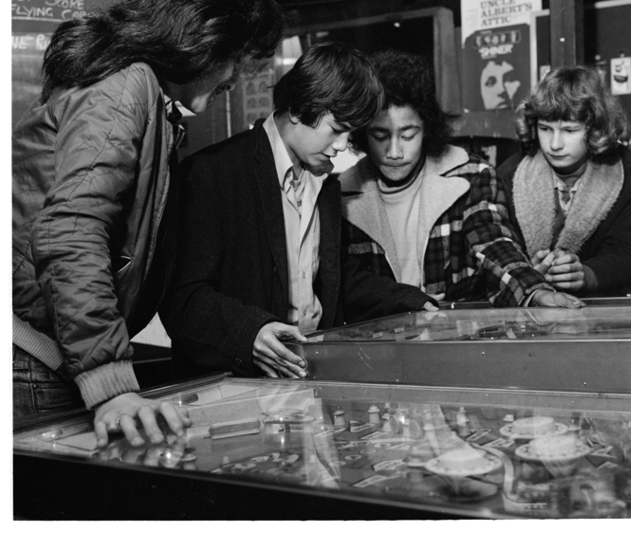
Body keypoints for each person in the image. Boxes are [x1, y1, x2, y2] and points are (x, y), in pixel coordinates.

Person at [12, 0, 284, 447]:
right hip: (37, 357)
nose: (237, 77)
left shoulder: (139, 90)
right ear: (208, 43)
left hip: (48, 353)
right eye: (238, 60)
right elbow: (70, 230)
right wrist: (110, 382)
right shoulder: (127, 85)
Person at [160, 42, 434, 380]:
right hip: (236, 387)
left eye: (350, 134)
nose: (341, 146)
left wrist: (412, 302)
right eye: (336, 130)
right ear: (299, 108)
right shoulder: (211, 173)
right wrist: (251, 333)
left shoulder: (325, 184)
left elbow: (333, 277)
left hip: (309, 379)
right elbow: (182, 298)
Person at [340, 49, 583, 308]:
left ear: (427, 127)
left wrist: (534, 293)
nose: (395, 152)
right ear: (362, 134)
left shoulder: (471, 176)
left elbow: (494, 244)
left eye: (408, 135)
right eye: (380, 137)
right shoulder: (342, 193)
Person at [498, 65, 631, 294]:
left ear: (595, 128)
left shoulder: (625, 167)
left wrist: (588, 274)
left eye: (569, 130)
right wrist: (527, 275)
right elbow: (494, 256)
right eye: (545, 129)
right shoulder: (510, 174)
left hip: (601, 310)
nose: (555, 144)